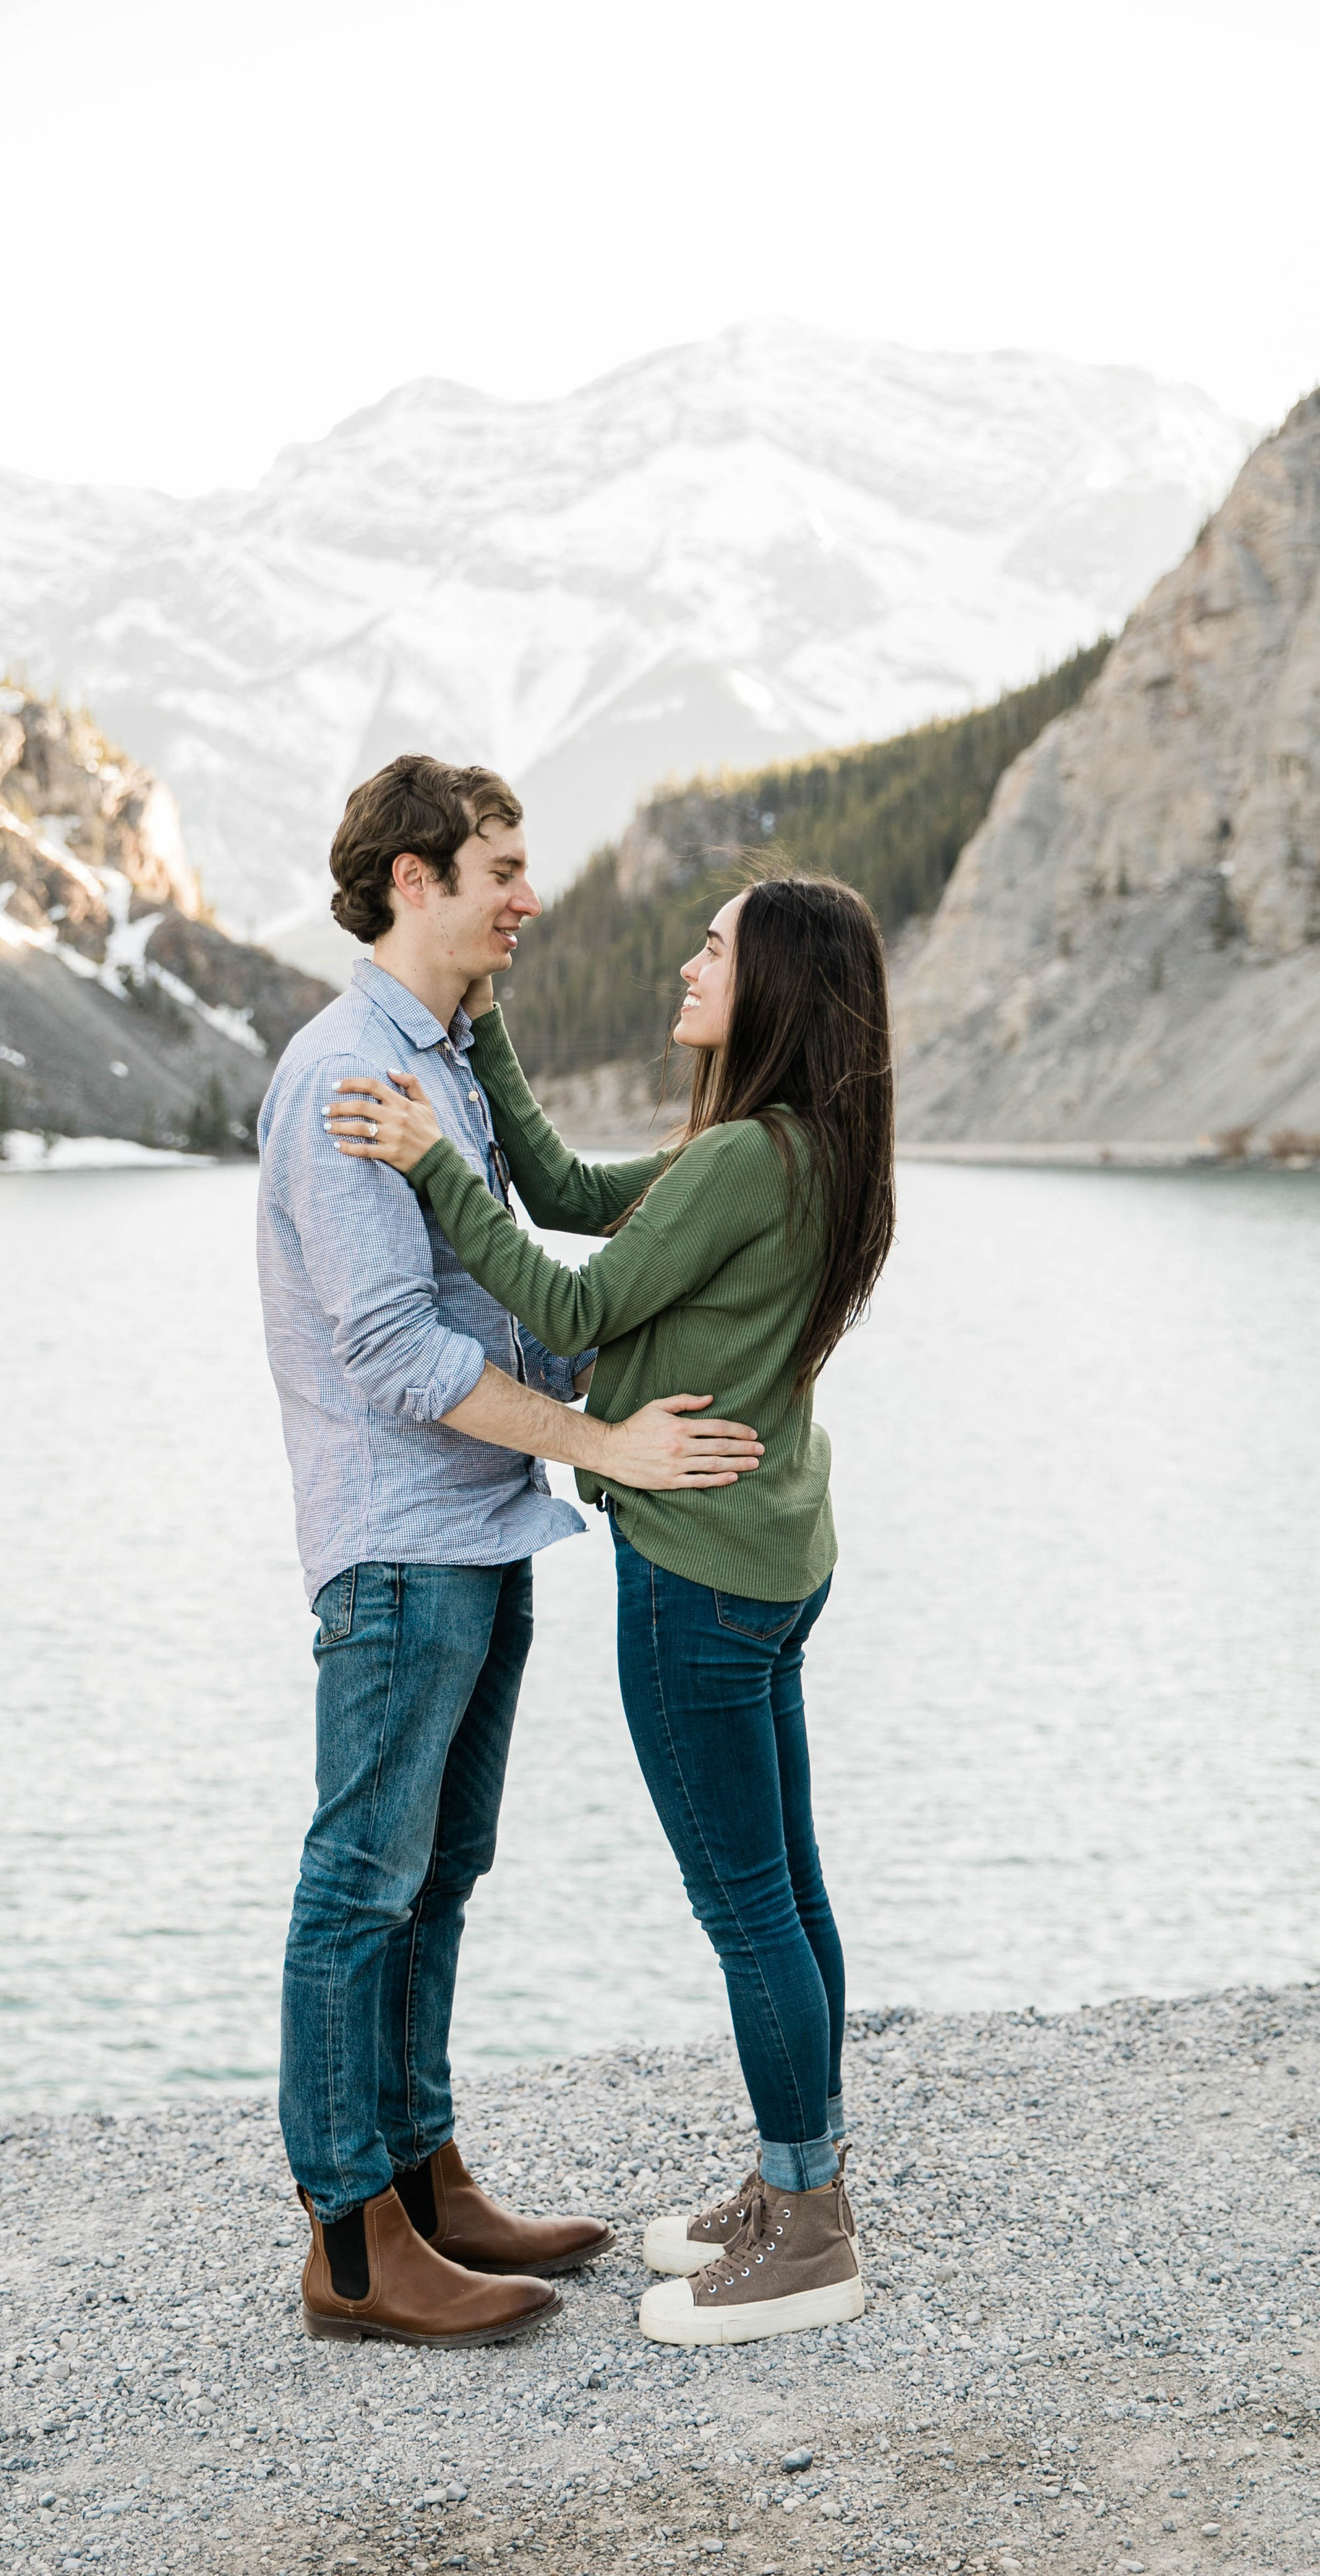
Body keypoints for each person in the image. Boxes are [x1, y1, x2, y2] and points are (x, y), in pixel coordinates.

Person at [325, 872, 896, 2346]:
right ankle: (798, 2183)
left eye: (714, 947)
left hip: (698, 1569)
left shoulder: (735, 1163)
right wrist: (491, 1045)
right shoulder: (794, 1147)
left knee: (745, 1900)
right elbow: (580, 1199)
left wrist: (428, 1159)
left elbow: (568, 1306)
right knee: (790, 1883)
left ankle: (807, 2228)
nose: (688, 963)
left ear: (768, 984)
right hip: (773, 1554)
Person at [257, 752, 767, 2348]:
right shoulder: (349, 1075)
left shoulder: (443, 1061)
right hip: (401, 1543)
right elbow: (395, 1350)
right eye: (500, 871)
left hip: (477, 1528)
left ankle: (423, 2178)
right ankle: (351, 2244)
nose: (529, 898)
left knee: (439, 1876)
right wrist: (605, 1443)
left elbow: (519, 1244)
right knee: (361, 1881)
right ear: (413, 880)